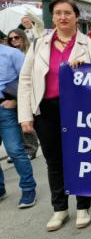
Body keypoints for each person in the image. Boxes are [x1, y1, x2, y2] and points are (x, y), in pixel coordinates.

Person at [18, 0, 91, 231]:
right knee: (54, 161)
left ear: (76, 17)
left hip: (79, 112)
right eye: (58, 13)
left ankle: (83, 207)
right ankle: (60, 209)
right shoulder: (39, 44)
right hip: (46, 110)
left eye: (68, 13)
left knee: (80, 159)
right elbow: (26, 80)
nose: (63, 17)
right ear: (52, 17)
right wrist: (25, 115)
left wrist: (89, 67)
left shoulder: (90, 45)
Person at [1, 39, 37, 209]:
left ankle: (28, 189)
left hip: (5, 108)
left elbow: (27, 79)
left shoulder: (12, 53)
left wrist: (16, 101)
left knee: (15, 150)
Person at [6, 29, 39, 161]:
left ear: (23, 37)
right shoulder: (8, 54)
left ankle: (31, 148)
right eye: (11, 39)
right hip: (13, 91)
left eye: (16, 37)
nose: (14, 40)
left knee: (26, 120)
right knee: (17, 122)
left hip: (29, 90)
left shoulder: (31, 51)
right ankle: (18, 150)